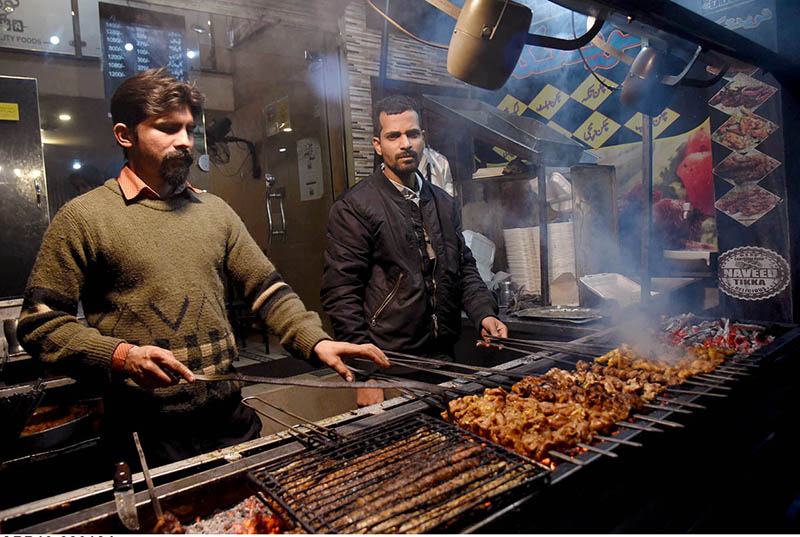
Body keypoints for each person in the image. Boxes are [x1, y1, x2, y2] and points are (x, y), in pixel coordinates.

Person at [17, 68, 388, 467]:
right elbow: (40, 326)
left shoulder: (215, 212)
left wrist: (315, 341)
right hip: (145, 433)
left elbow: (269, 291)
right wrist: (121, 356)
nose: (184, 142)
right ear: (125, 135)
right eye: (167, 128)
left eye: (189, 129)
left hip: (229, 418)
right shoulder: (84, 218)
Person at [321, 95, 507, 406]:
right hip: (388, 364)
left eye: (413, 134)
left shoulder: (443, 203)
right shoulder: (354, 207)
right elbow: (341, 293)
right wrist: (366, 373)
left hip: (444, 359)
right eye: (394, 136)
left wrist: (484, 313)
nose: (405, 143)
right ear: (378, 145)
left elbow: (463, 268)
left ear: (423, 139)